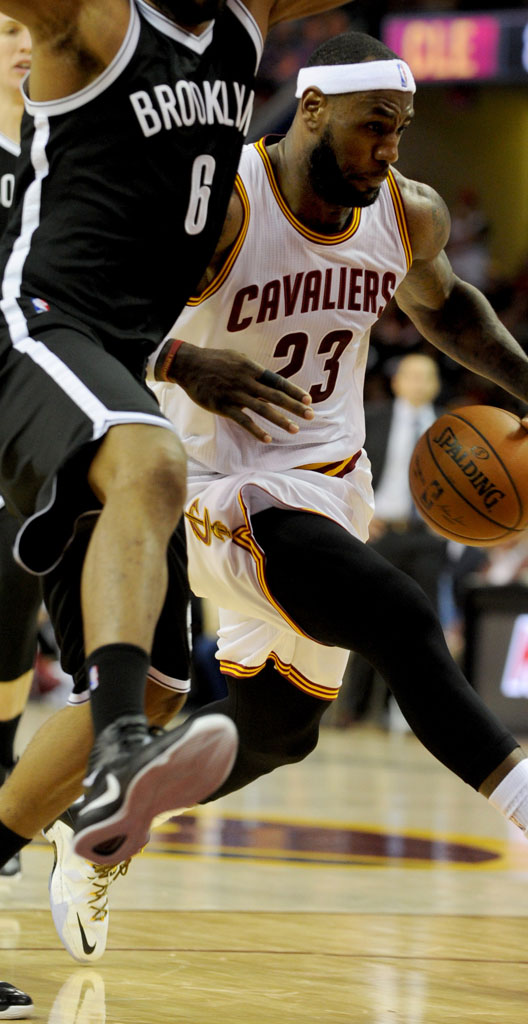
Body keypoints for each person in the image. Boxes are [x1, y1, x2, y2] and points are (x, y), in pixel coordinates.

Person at [139, 31, 528, 960]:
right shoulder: (224, 199)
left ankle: (100, 817)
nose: (389, 148)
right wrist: (186, 362)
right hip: (212, 484)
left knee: (277, 731)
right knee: (398, 613)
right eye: (371, 128)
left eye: (401, 129)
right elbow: (101, 308)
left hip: (326, 487)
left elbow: (444, 304)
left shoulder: (405, 212)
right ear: (310, 109)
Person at [0, 0, 350, 901]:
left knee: (160, 684)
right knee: (150, 461)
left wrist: (176, 358)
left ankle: (125, 728)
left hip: (120, 362)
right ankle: (123, 752)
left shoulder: (244, 18)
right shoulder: (92, 18)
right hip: (32, 328)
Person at [339, 352, 447, 727]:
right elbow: (343, 467)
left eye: (426, 376)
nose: (419, 383)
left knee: (422, 629)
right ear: (397, 381)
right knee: (368, 621)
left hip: (429, 537)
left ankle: (411, 714)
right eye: (411, 375)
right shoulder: (371, 417)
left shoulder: (453, 429)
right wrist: (360, 516)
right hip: (381, 531)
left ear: (436, 384)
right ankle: (352, 708)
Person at [0, 10, 38, 883]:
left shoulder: (61, 157)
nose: (24, 43)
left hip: (28, 422)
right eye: (5, 28)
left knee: (11, 640)